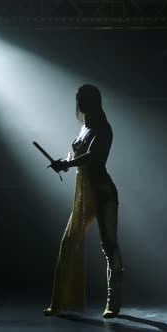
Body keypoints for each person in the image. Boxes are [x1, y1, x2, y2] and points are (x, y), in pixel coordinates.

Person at [43, 84, 123, 318]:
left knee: (109, 245)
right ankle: (60, 302)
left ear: (95, 101)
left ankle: (113, 302)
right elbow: (78, 156)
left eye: (84, 99)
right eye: (78, 99)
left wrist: (66, 164)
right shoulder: (84, 127)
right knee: (69, 242)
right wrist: (65, 162)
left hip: (102, 192)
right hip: (84, 192)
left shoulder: (103, 128)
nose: (79, 103)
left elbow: (93, 157)